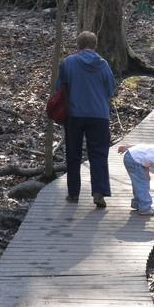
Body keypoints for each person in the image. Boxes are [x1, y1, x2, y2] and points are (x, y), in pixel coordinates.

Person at [57, 31, 116, 208]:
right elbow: (111, 89)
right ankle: (99, 192)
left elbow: (59, 87)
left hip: (75, 115)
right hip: (99, 115)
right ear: (95, 45)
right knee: (98, 154)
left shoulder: (68, 63)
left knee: (73, 154)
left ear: (78, 46)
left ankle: (73, 193)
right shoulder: (103, 64)